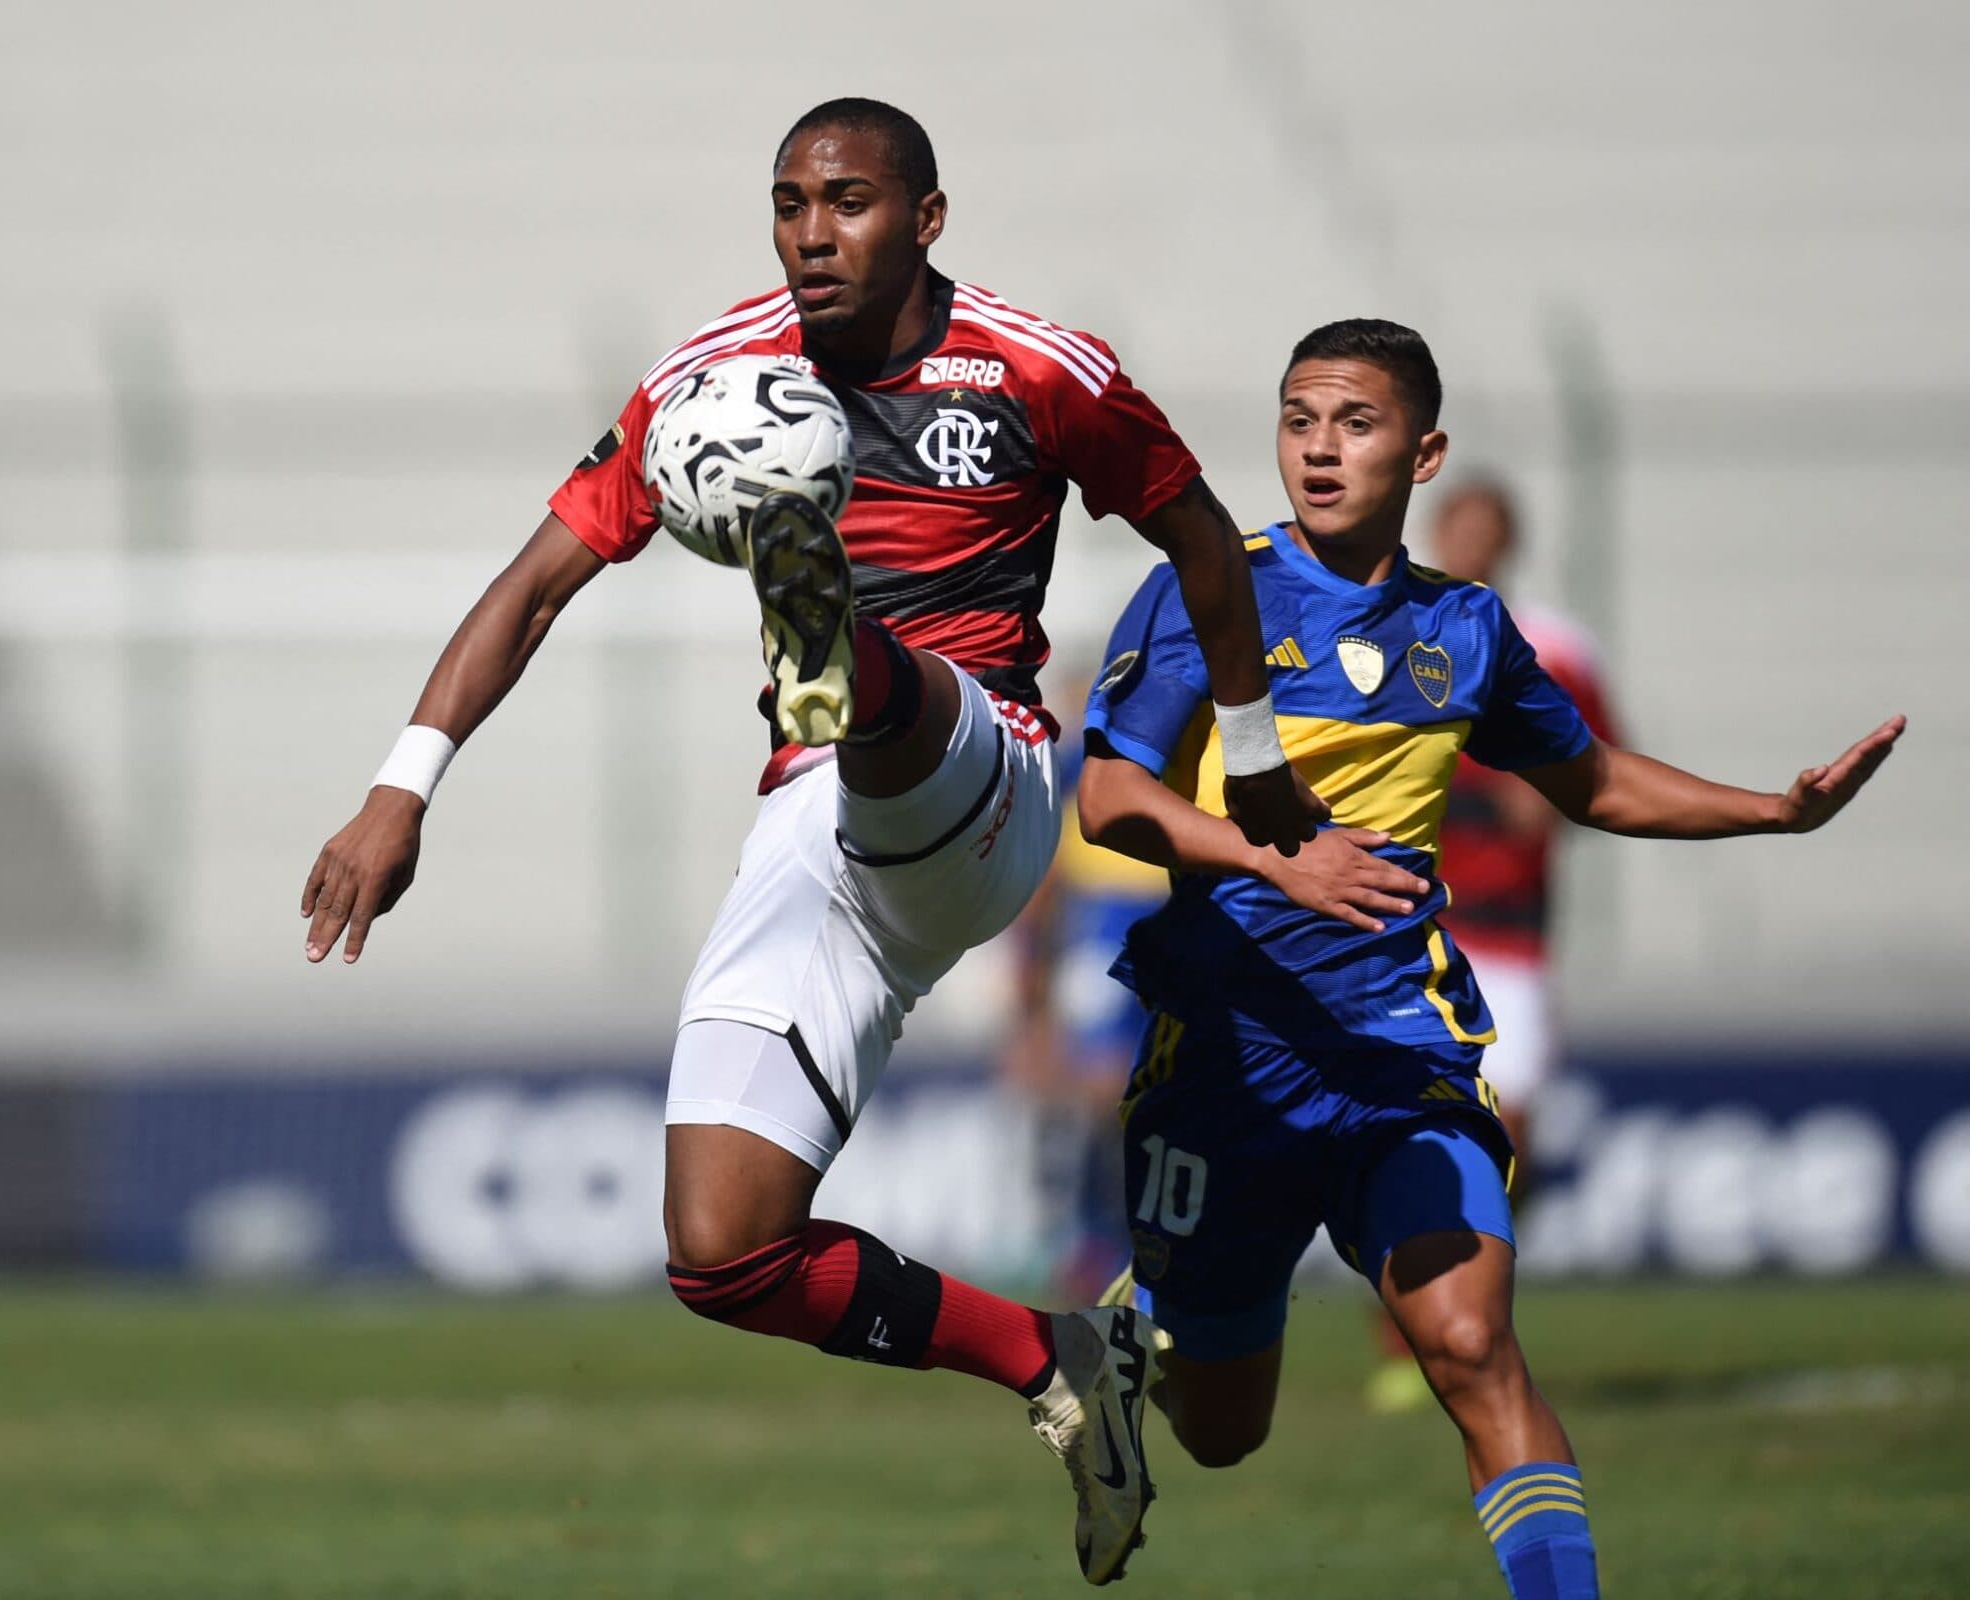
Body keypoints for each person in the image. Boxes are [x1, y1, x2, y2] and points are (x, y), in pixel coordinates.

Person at [298, 98, 1322, 1583]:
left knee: (874, 680)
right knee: (721, 1251)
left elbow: (1206, 540)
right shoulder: (710, 374)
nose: (809, 234)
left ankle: (821, 620)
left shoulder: (1038, 369)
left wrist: (1261, 751)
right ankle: (1057, 1363)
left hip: (987, 773)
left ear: (926, 216)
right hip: (815, 833)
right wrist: (403, 785)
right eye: (787, 204)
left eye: (844, 202)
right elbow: (533, 585)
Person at [1077, 318, 1901, 1599]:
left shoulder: (1463, 627)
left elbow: (1593, 778)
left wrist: (1775, 810)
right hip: (1231, 1057)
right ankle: (1134, 1351)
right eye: (1300, 421)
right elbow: (1111, 796)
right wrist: (1268, 857)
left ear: (1426, 449)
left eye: (1355, 423)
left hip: (1400, 1046)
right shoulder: (1213, 586)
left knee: (1471, 1347)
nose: (1320, 449)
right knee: (1222, 1430)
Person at [1362, 477, 1623, 1415]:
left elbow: (1596, 775)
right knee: (1409, 1135)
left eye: (1488, 532)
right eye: (1459, 529)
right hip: (1408, 920)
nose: (1472, 544)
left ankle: (1462, 1314)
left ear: (1508, 541)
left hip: (1510, 936)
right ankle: (1407, 1336)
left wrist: (1549, 794)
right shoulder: (1381, 625)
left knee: (1511, 1139)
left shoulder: (1552, 648)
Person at [998, 732, 1165, 1303]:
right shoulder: (1077, 771)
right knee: (1106, 1095)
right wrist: (1031, 1014)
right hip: (1104, 937)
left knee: (1151, 1103)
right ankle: (1100, 1248)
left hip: (1174, 930)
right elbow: (1040, 893)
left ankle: (1133, 1249)